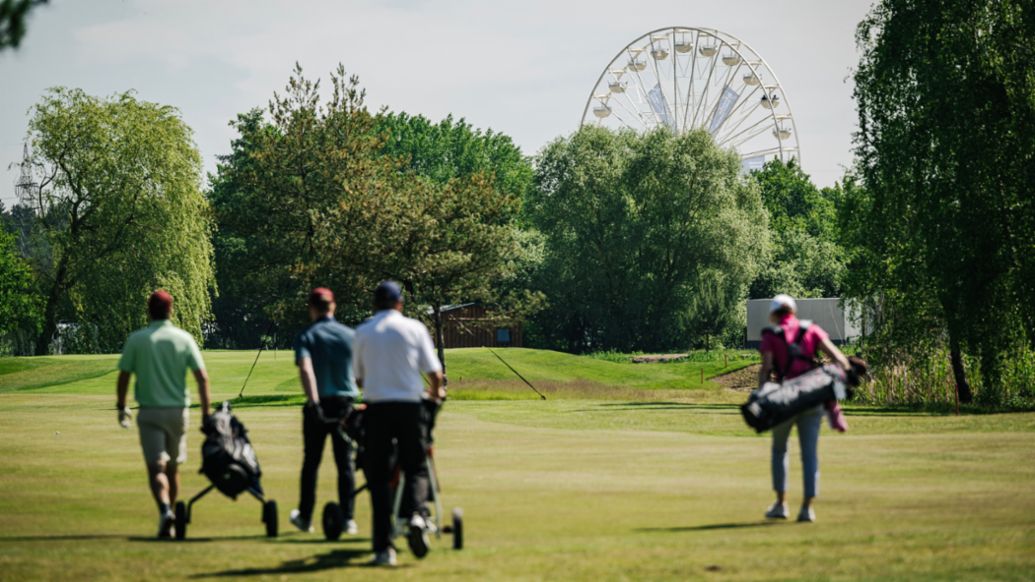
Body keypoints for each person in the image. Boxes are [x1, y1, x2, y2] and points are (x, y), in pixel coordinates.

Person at [354, 280, 445, 567]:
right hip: (410, 407)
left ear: (374, 304)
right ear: (399, 303)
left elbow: (359, 379)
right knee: (415, 465)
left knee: (379, 478)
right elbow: (435, 374)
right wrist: (434, 394)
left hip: (377, 409)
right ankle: (417, 515)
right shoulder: (414, 328)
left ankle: (384, 550)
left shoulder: (363, 331)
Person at [116, 289, 211, 538]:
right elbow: (202, 378)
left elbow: (124, 376)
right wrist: (206, 414)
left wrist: (121, 406)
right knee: (172, 468)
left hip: (150, 412)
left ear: (149, 310)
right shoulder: (184, 338)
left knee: (156, 468)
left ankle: (165, 510)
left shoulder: (137, 339)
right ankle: (169, 515)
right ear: (171, 309)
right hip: (178, 412)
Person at [758, 294, 850, 523]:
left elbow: (766, 368)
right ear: (793, 311)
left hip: (785, 399)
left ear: (774, 314)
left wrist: (762, 395)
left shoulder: (771, 335)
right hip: (812, 399)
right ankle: (807, 508)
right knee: (810, 455)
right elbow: (841, 360)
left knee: (780, 451)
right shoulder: (812, 330)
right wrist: (833, 389)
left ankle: (781, 504)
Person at [289, 287, 360, 536]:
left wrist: (314, 401)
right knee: (345, 464)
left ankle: (306, 517)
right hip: (345, 405)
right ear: (333, 307)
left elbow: (306, 369)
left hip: (318, 405)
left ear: (312, 308)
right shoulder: (350, 335)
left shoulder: (306, 335)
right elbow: (360, 374)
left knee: (311, 463)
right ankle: (349, 518)